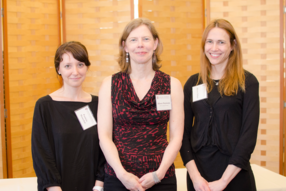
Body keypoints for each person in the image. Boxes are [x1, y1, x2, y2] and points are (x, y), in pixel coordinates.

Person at [97, 18, 184, 191]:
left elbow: (176, 137)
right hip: (118, 178)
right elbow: (104, 137)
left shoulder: (172, 85)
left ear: (155, 43)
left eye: (146, 39)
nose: (140, 45)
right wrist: (122, 174)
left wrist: (158, 174)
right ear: (125, 46)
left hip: (161, 178)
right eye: (133, 40)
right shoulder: (110, 84)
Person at [180, 19, 259, 191]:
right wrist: (196, 178)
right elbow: (183, 135)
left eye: (221, 42)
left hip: (235, 176)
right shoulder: (193, 83)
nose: (214, 48)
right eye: (210, 42)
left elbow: (248, 137)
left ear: (233, 46)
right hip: (199, 179)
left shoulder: (247, 82)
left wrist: (223, 182)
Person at [32, 41, 105, 191]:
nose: (75, 72)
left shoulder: (99, 104)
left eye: (80, 65)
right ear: (58, 69)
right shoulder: (45, 106)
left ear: (87, 67)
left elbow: (106, 149)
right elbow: (41, 153)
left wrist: (98, 185)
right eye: (67, 66)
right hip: (57, 188)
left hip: (93, 187)